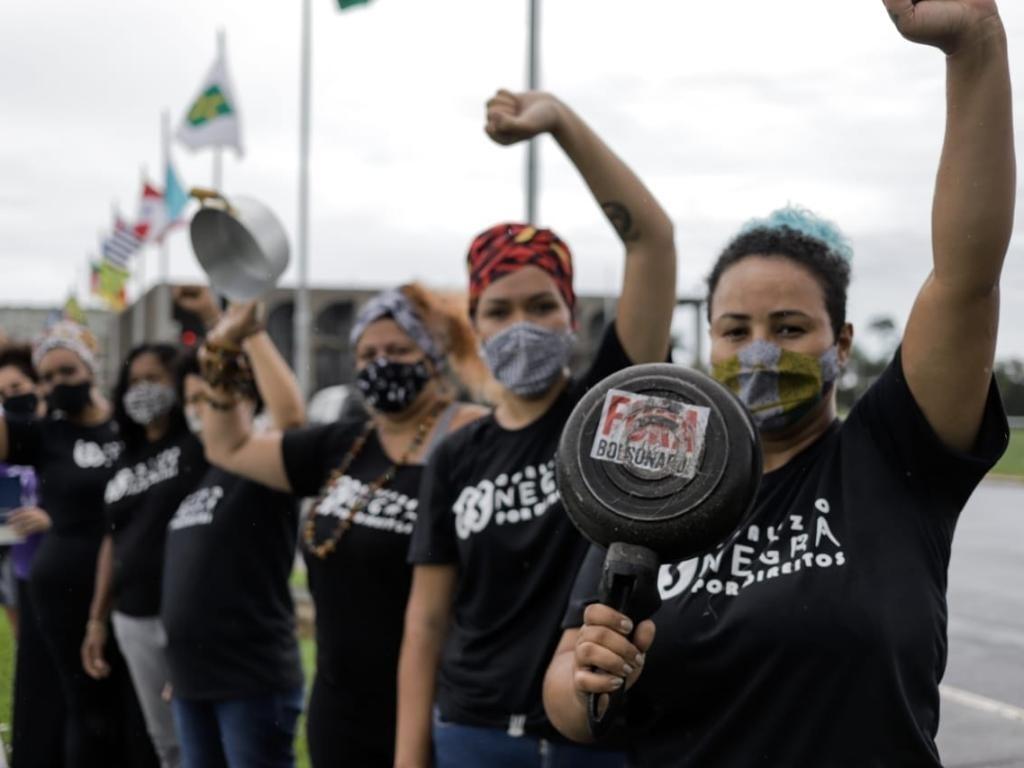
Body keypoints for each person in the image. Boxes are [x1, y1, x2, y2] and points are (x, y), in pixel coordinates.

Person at [543, 3, 1015, 765]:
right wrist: (586, 676)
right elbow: (568, 695)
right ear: (709, 344)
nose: (759, 350)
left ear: (844, 343)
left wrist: (977, 50)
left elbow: (966, 276)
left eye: (790, 328)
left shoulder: (894, 458)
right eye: (735, 330)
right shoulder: (650, 493)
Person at [395, 88, 677, 768]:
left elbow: (653, 239)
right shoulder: (457, 453)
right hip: (471, 732)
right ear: (476, 324)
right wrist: (410, 756)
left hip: (591, 734)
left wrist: (557, 121)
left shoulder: (610, 414)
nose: (520, 325)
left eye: (541, 305)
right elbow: (427, 622)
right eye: (498, 310)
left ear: (572, 316)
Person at [200, 284, 488, 766]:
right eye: (367, 353)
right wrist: (225, 347)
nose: (382, 362)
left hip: (440, 707)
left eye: (399, 350)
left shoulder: (473, 435)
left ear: (434, 357)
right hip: (341, 711)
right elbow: (226, 446)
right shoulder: (345, 444)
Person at [0, 321, 156, 766]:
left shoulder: (128, 428)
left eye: (67, 372)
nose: (57, 385)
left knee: (136, 702)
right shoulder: (45, 433)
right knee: (88, 705)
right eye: (47, 378)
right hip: (64, 587)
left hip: (131, 583)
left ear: (91, 368)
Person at [161, 302, 306, 768]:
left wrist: (250, 333)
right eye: (193, 399)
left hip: (250, 681)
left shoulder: (259, 467)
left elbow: (291, 421)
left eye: (211, 395)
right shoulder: (202, 477)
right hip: (192, 680)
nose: (201, 410)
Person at [82, 343, 208, 768]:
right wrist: (97, 618)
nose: (142, 390)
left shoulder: (196, 446)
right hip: (133, 618)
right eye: (134, 381)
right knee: (167, 742)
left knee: (203, 734)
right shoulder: (126, 457)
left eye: (153, 379)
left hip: (188, 617)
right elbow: (111, 540)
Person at [0, 343, 65, 768]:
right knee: (34, 673)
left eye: (17, 387)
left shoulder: (60, 438)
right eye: (2, 393)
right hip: (21, 572)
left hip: (65, 575)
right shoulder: (11, 451)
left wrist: (52, 518)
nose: (11, 398)